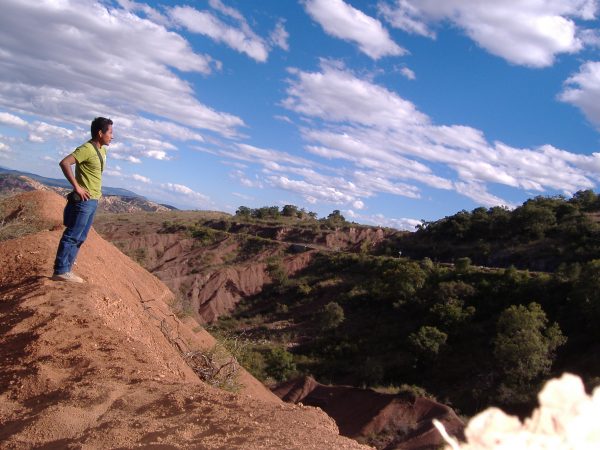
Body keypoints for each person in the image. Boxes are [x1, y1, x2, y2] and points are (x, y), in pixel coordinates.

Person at [52, 117, 113, 283]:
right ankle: (60, 270)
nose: (112, 136)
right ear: (100, 133)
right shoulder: (87, 149)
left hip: (93, 200)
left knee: (81, 237)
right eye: (110, 132)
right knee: (72, 234)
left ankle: (67, 269)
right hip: (84, 201)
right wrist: (77, 187)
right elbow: (65, 163)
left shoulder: (102, 150)